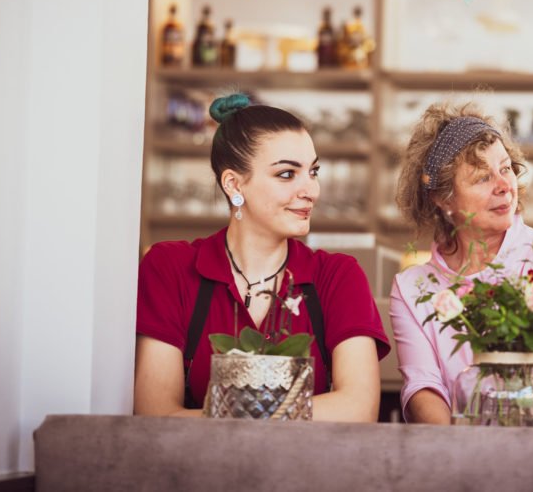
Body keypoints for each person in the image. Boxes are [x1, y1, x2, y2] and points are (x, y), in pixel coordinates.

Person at [135, 94, 389, 419]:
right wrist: (285, 415)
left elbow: (359, 408)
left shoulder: (337, 275)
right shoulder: (170, 267)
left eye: (313, 171)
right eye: (287, 174)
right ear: (234, 184)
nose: (311, 190)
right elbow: (154, 414)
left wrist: (236, 415)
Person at [389, 102, 533, 427]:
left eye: (506, 168)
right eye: (483, 177)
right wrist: (463, 456)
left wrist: (508, 448)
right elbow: (422, 387)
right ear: (443, 198)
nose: (503, 185)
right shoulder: (412, 287)